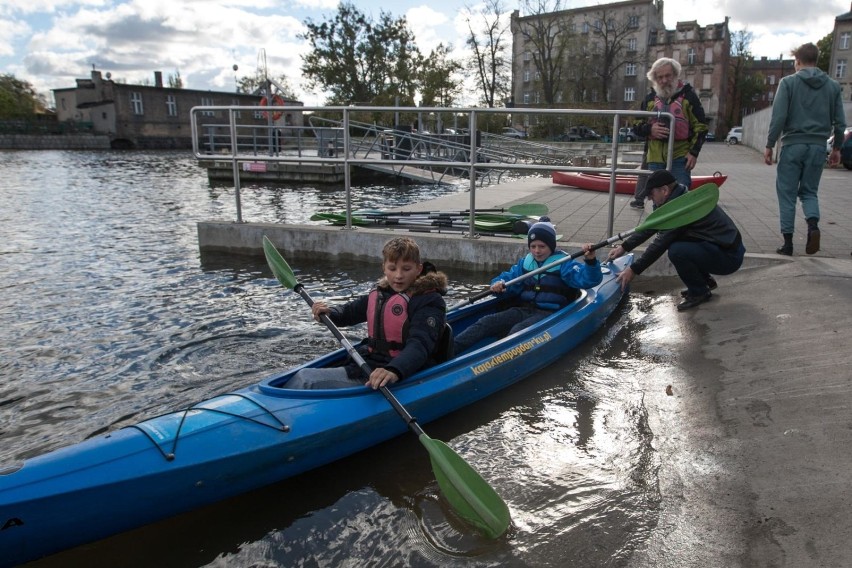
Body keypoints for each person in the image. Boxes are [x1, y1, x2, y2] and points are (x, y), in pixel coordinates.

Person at [287, 237, 449, 390]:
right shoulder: (382, 292)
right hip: (372, 362)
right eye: (392, 268)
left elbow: (420, 345)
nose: (398, 276)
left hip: (404, 369)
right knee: (301, 377)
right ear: (384, 267)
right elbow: (350, 312)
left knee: (305, 380)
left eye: (406, 269)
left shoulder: (429, 301)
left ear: (418, 269)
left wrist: (394, 370)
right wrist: (330, 313)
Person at [453, 218, 602, 354]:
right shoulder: (525, 263)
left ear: (551, 246)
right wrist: (497, 285)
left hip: (548, 314)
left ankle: (499, 360)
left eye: (542, 246)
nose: (537, 251)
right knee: (486, 321)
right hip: (524, 309)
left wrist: (590, 261)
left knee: (517, 331)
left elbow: (588, 280)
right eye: (533, 246)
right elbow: (507, 278)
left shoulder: (563, 263)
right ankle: (450, 350)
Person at [607, 170, 745, 311]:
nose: (650, 199)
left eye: (651, 194)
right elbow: (650, 227)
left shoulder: (682, 208)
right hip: (721, 248)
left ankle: (700, 292)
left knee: (677, 250)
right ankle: (704, 282)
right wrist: (623, 247)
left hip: (729, 257)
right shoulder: (678, 200)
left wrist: (632, 270)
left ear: (665, 190)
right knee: (679, 243)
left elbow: (660, 244)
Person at [763, 42, 846, 256]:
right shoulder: (833, 86)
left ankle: (788, 243)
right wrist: (836, 147)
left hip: (793, 145)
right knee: (809, 192)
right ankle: (813, 226)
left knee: (787, 193)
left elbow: (779, 116)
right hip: (818, 147)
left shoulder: (788, 83)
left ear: (797, 61)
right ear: (816, 61)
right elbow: (840, 122)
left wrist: (770, 144)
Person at [629, 57, 708, 208]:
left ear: (675, 75)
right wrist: (650, 129)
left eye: (668, 75)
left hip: (680, 158)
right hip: (655, 159)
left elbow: (701, 126)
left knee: (680, 200)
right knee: (658, 202)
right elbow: (637, 125)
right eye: (660, 77)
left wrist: (694, 152)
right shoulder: (650, 99)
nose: (664, 80)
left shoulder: (688, 96)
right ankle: (661, 231)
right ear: (655, 78)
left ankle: (680, 231)